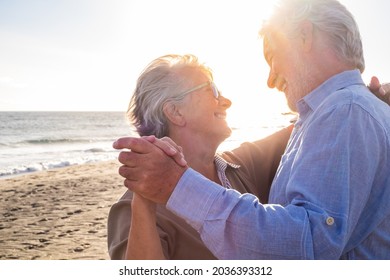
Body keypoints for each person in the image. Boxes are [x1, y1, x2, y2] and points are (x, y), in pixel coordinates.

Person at [113, 0, 390, 259]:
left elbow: (311, 242)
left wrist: (358, 106)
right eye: (212, 90)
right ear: (174, 112)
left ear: (305, 37)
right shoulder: (330, 118)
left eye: (272, 56)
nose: (270, 80)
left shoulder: (345, 112)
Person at [107, 54, 292, 259]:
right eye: (211, 91)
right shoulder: (133, 207)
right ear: (175, 112)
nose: (226, 102)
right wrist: (144, 200)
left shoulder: (240, 167)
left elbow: (305, 124)